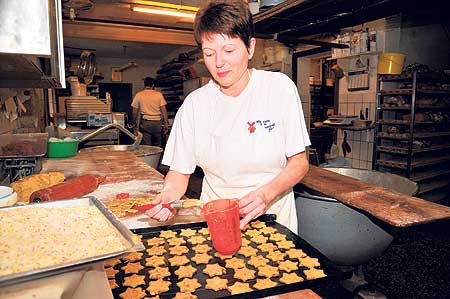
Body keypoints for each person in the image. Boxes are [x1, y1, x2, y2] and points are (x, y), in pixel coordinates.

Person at [145, 0, 310, 233]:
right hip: (216, 220)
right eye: (209, 53)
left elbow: (299, 163)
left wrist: (266, 194)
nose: (219, 62)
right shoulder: (195, 104)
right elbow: (180, 172)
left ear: (250, 47)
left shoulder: (278, 89)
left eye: (229, 50)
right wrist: (168, 196)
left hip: (274, 218)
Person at [131, 77, 169, 146]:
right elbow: (164, 111)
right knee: (158, 144)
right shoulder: (158, 95)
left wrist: (134, 124)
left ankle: (149, 156)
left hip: (146, 123)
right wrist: (166, 124)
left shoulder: (139, 95)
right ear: (153, 85)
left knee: (147, 145)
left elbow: (134, 112)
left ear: (144, 85)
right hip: (157, 122)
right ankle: (158, 156)